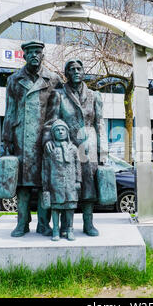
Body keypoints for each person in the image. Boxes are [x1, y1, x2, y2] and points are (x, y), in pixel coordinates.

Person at [2, 40, 63, 237]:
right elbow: (10, 111)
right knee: (23, 185)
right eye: (30, 52)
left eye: (37, 52)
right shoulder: (14, 80)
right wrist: (7, 139)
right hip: (21, 139)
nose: (34, 55)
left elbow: (56, 113)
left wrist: (52, 138)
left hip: (45, 139)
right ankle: (22, 222)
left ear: (43, 55)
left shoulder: (53, 79)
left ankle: (44, 224)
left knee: (45, 184)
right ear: (24, 56)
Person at [44, 59, 108, 237]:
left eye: (79, 68)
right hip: (66, 147)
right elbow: (51, 122)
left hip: (89, 146)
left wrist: (103, 150)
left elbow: (100, 123)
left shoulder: (95, 96)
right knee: (65, 187)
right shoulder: (58, 95)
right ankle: (65, 227)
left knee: (88, 186)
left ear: (83, 71)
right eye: (71, 69)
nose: (76, 72)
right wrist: (49, 141)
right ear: (66, 73)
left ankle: (88, 224)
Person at [42, 119, 81, 241]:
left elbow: (78, 165)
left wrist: (78, 181)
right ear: (53, 133)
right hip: (55, 183)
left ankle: (70, 229)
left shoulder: (73, 148)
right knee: (55, 207)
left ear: (67, 132)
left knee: (69, 207)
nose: (60, 132)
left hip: (70, 182)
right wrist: (45, 184)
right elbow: (45, 167)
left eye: (63, 129)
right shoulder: (50, 148)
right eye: (57, 130)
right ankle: (55, 230)